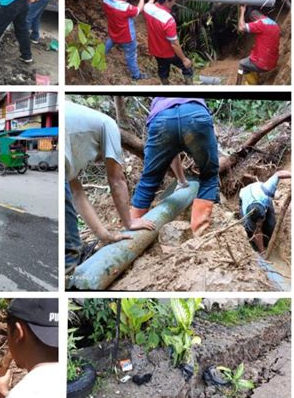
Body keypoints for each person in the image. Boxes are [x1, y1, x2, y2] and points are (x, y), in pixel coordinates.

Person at [65, 101, 155, 285]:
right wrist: (129, 222)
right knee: (71, 247)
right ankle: (72, 282)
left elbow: (78, 194)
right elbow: (117, 180)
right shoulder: (109, 125)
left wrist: (105, 236)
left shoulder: (80, 136)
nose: (96, 161)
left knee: (69, 239)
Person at [131, 98, 219, 236]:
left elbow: (171, 151)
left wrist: (182, 181)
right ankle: (199, 233)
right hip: (195, 116)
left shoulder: (158, 99)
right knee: (209, 176)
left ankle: (131, 233)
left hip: (162, 119)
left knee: (149, 180)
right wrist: (182, 181)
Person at [143, 0, 193, 84]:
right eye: (173, 0)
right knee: (187, 67)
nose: (175, 2)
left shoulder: (147, 8)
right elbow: (174, 43)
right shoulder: (168, 20)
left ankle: (166, 86)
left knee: (163, 70)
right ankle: (190, 88)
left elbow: (148, 4)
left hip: (155, 50)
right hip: (168, 53)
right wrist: (184, 59)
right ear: (167, 2)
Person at [103, 0, 149, 81]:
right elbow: (138, 10)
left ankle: (101, 55)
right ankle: (136, 75)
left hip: (113, 31)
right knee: (131, 56)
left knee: (111, 40)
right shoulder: (126, 8)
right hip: (127, 37)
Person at [239, 170, 291, 253]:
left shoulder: (267, 190)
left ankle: (270, 240)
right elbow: (256, 233)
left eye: (261, 220)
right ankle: (260, 246)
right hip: (244, 196)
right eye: (258, 222)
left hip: (259, 192)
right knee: (249, 230)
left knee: (271, 226)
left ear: (264, 210)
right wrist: (262, 251)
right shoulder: (247, 215)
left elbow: (279, 173)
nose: (259, 223)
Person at [238, 6, 280, 78]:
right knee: (250, 59)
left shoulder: (260, 24)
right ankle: (256, 78)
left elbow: (241, 27)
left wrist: (242, 12)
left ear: (254, 18)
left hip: (262, 64)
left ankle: (251, 84)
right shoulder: (274, 24)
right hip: (272, 63)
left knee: (241, 64)